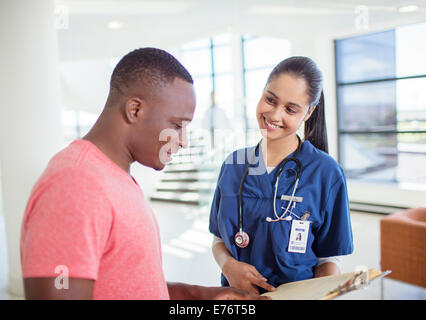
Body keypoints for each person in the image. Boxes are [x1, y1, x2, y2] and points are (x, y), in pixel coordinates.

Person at [20, 47, 268, 300]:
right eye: (176, 125)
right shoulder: (75, 184)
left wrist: (201, 296)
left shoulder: (115, 177)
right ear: (135, 110)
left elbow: (130, 286)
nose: (183, 141)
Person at [209, 56, 354, 294]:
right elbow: (218, 239)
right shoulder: (233, 165)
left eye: (290, 109)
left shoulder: (326, 173)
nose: (275, 115)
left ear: (308, 113)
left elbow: (329, 258)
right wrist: (228, 266)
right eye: (270, 100)